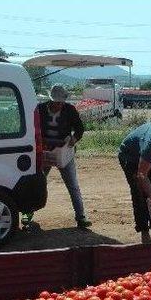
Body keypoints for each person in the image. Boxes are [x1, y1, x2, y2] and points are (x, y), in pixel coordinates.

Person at [35, 85, 92, 229]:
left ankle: (81, 217)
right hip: (45, 150)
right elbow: (33, 127)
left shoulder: (70, 110)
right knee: (37, 182)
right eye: (56, 102)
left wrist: (74, 139)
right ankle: (27, 215)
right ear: (50, 100)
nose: (58, 105)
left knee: (73, 185)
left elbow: (79, 129)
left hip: (63, 151)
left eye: (60, 102)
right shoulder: (40, 109)